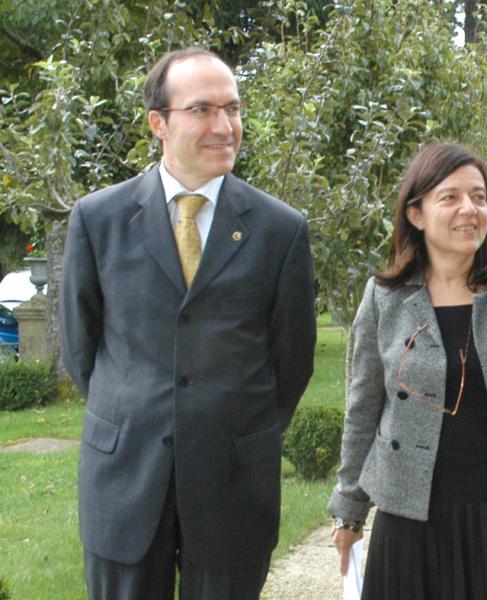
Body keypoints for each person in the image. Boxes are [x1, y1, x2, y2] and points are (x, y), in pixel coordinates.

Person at [60, 48, 316, 600]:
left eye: (233, 109)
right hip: (124, 478)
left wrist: (230, 424)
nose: (225, 126)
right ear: (159, 122)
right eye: (202, 110)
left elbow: (291, 362)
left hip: (234, 484)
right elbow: (82, 349)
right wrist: (135, 411)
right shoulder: (97, 219)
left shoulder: (281, 230)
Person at [328, 142, 487, 599]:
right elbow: (363, 409)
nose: (469, 209)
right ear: (416, 213)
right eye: (450, 197)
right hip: (408, 524)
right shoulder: (383, 299)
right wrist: (348, 508)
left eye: (479, 197)